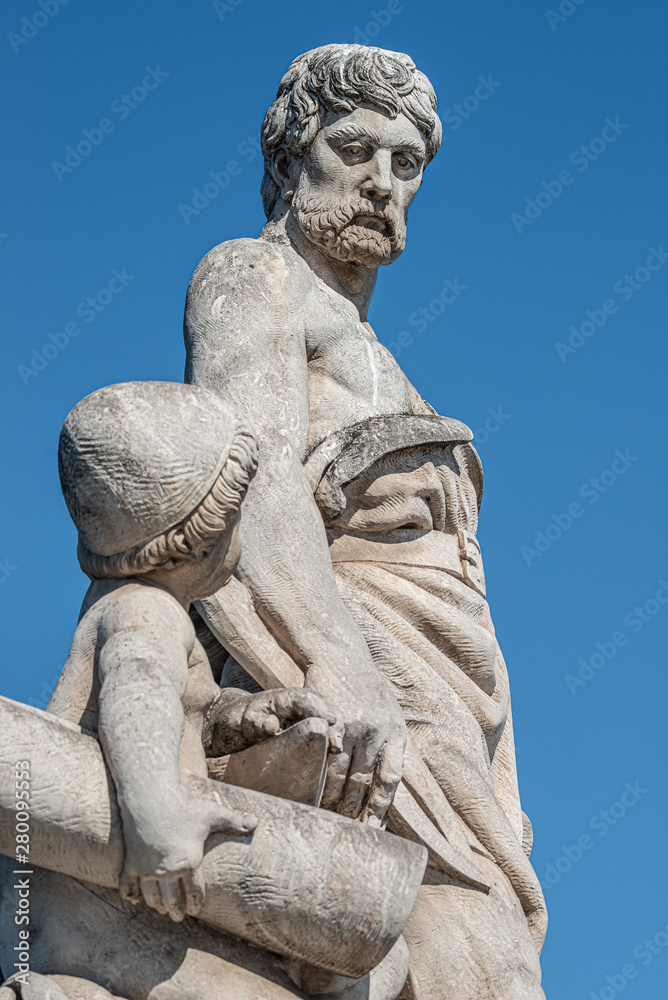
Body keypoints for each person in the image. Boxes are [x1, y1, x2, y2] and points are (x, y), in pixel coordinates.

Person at [184, 43, 547, 999]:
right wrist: (341, 667)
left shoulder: (382, 356)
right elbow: (248, 490)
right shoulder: (251, 281)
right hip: (363, 659)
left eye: (407, 163)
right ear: (289, 159)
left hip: (452, 688)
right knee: (463, 951)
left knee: (489, 947)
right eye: (353, 149)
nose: (382, 183)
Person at [0, 380, 343, 1000]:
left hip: (75, 895)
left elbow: (176, 711)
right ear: (196, 541)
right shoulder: (148, 614)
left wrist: (235, 716)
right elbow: (138, 698)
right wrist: (159, 824)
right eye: (238, 517)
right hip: (103, 896)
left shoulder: (121, 604)